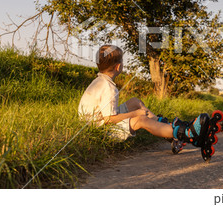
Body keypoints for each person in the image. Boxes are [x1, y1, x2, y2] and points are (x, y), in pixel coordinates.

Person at [78, 44, 210, 153]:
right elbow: (109, 119)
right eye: (122, 61)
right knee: (140, 120)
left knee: (135, 101)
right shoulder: (109, 88)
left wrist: (135, 110)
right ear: (118, 67)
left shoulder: (98, 81)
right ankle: (185, 133)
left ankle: (167, 127)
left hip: (95, 124)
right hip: (100, 132)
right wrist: (135, 114)